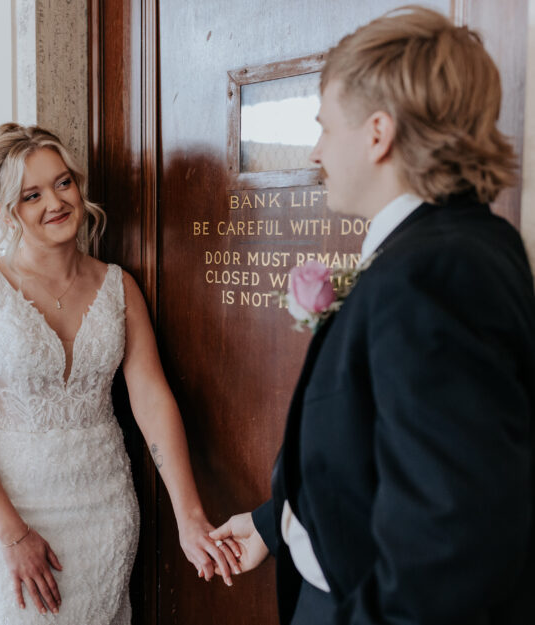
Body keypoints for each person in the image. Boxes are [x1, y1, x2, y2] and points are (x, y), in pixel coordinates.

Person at [210, 6, 535, 625]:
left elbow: (448, 542)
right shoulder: (460, 245)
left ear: (378, 133)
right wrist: (274, 521)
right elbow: (379, 447)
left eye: (326, 127)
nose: (315, 149)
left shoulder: (431, 279)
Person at [0, 123, 239, 624]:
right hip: (9, 514)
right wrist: (13, 534)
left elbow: (151, 399)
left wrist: (188, 515)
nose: (55, 202)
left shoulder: (119, 287)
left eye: (63, 183)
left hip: (103, 511)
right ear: (4, 210)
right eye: (31, 194)